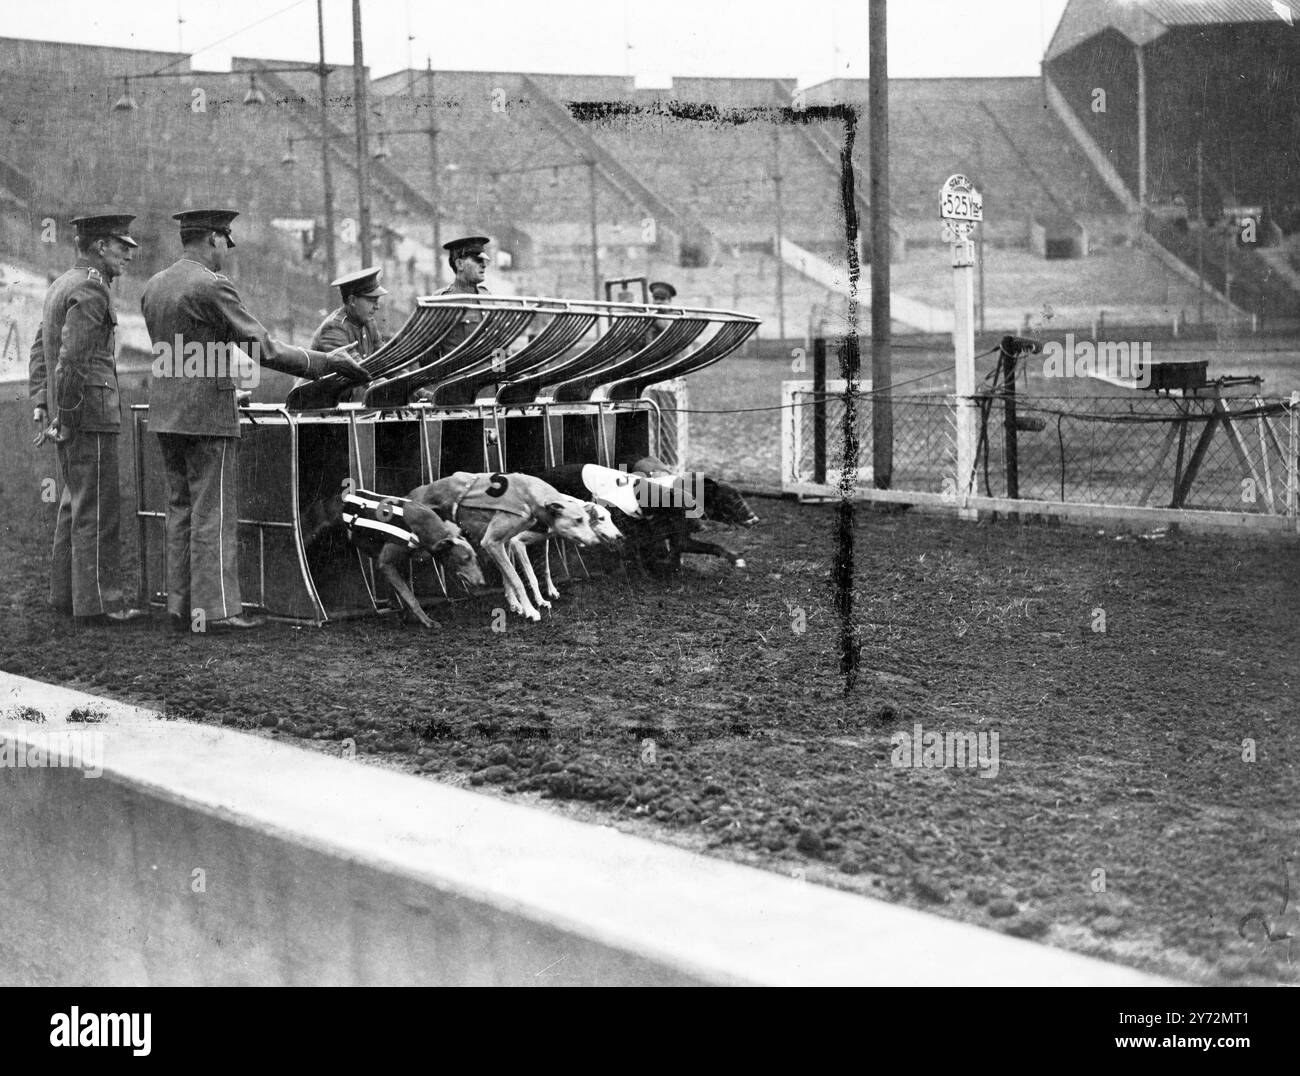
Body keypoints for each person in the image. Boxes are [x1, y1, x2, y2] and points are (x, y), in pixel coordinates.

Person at [141, 209, 369, 632]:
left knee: (180, 509)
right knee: (212, 513)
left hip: (166, 413)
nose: (226, 251)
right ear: (212, 238)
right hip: (207, 416)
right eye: (225, 241)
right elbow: (263, 348)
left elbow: (185, 353)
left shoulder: (154, 286)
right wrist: (325, 362)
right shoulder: (212, 286)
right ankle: (217, 611)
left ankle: (181, 606)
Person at [28, 213, 147, 626]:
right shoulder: (92, 288)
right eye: (122, 246)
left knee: (74, 503)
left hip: (71, 413)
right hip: (89, 415)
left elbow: (40, 349)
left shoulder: (62, 284)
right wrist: (68, 416)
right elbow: (72, 360)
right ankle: (100, 602)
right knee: (97, 508)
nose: (128, 255)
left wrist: (43, 403)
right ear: (100, 246)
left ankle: (66, 595)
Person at [413, 235, 492, 402]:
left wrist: (501, 376)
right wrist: (444, 387)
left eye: (484, 260)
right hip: (459, 393)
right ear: (459, 264)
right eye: (477, 260)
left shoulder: (488, 298)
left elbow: (500, 345)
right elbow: (427, 355)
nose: (484, 265)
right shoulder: (442, 301)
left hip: (491, 391)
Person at [304, 266, 388, 403]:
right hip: (319, 409)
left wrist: (417, 390)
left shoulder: (369, 323)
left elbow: (386, 360)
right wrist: (390, 388)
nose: (377, 306)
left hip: (346, 407)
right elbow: (359, 368)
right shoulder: (334, 328)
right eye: (372, 300)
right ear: (352, 300)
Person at [647, 279, 677, 344]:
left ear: (669, 300)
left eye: (662, 299)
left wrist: (650, 316)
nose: (658, 302)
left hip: (669, 348)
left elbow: (667, 327)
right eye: (656, 298)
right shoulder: (651, 313)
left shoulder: (675, 315)